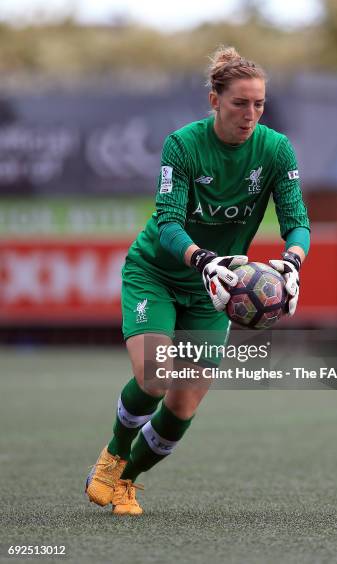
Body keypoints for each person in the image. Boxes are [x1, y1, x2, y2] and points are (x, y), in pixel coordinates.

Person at [85, 46, 310, 515]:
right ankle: (112, 455)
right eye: (239, 103)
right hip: (159, 273)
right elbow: (167, 221)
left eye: (259, 104)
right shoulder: (182, 145)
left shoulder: (275, 149)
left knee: (183, 406)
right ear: (214, 100)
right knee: (153, 376)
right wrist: (203, 259)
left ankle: (127, 480)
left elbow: (298, 221)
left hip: (216, 291)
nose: (251, 114)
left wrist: (291, 262)